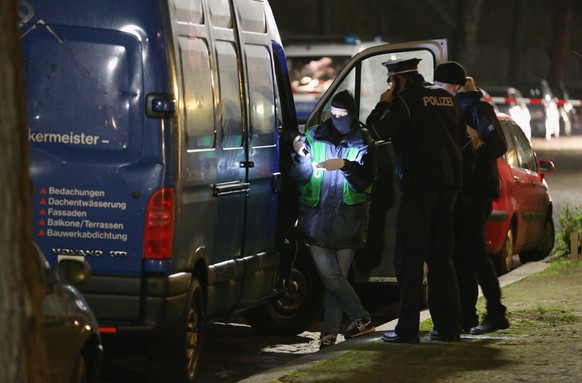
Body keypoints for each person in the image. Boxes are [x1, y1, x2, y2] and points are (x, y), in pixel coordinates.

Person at [366, 58, 465, 343]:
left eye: (391, 82)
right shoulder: (447, 99)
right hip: (449, 188)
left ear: (399, 80)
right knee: (441, 259)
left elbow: (377, 132)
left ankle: (407, 328)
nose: (390, 87)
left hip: (419, 188)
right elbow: (461, 139)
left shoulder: (406, 100)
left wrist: (383, 104)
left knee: (409, 259)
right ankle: (448, 328)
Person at [289, 90, 376, 349]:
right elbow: (298, 174)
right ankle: (361, 317)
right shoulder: (314, 135)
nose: (337, 118)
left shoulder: (364, 140)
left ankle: (328, 334)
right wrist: (300, 154)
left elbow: (365, 180)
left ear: (352, 114)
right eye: (334, 113)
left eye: (343, 114)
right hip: (317, 219)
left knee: (336, 278)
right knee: (331, 276)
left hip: (349, 219)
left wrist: (344, 166)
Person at [433, 61, 510, 335]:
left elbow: (498, 144)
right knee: (462, 255)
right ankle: (468, 316)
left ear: (453, 86)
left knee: (474, 253)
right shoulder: (457, 106)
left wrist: (473, 149)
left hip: (475, 191)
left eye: (441, 86)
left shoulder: (477, 108)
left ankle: (495, 312)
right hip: (463, 189)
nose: (438, 91)